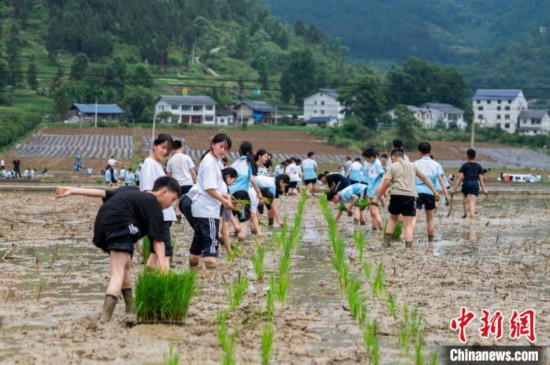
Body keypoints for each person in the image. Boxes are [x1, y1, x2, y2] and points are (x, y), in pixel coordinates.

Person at [55, 176, 182, 322]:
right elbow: (158, 242)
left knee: (126, 265)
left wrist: (71, 190)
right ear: (164, 192)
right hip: (120, 226)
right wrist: (164, 270)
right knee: (117, 273)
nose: (171, 205)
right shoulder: (154, 206)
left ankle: (130, 308)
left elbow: (103, 193)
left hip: (103, 226)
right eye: (172, 200)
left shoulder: (133, 191)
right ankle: (104, 319)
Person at [180, 133, 234, 268]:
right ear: (212, 144)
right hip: (208, 210)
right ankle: (210, 282)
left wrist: (226, 196)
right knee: (211, 247)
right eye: (221, 146)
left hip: (201, 209)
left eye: (226, 148)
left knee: (197, 246)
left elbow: (214, 186)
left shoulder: (216, 161)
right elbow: (209, 189)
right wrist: (224, 201)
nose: (223, 150)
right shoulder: (209, 162)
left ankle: (193, 277)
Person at [371, 149, 439, 248]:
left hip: (396, 195)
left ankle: (386, 243)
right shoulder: (413, 166)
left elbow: (387, 183)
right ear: (402, 156)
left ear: (393, 157)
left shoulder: (392, 166)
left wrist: (377, 198)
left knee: (393, 219)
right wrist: (435, 191)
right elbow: (424, 179)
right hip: (410, 196)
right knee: (408, 224)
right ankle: (408, 247)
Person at [140, 134, 176, 269]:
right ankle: (165, 280)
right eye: (163, 147)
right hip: (158, 215)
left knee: (155, 253)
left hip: (162, 215)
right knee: (165, 252)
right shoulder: (150, 164)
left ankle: (149, 279)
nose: (165, 151)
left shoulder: (156, 164)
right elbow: (148, 192)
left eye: (169, 150)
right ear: (154, 145)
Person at [413, 142, 450, 244]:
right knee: (430, 219)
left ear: (419, 152)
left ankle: (409, 240)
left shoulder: (414, 164)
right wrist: (446, 194)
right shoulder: (436, 164)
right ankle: (430, 242)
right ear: (430, 151)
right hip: (430, 193)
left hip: (417, 193)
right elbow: (441, 180)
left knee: (414, 218)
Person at [229, 141, 264, 239]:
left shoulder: (234, 163)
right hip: (241, 194)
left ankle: (225, 240)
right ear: (250, 151)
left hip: (229, 194)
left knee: (229, 217)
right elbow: (252, 179)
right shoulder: (249, 163)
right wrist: (258, 192)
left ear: (240, 151)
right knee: (242, 219)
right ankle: (241, 242)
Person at [452, 149, 488, 220]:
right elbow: (480, 179)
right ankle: (472, 219)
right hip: (475, 183)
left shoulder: (465, 166)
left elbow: (460, 178)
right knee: (472, 203)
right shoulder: (478, 166)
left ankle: (465, 213)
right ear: (475, 156)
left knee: (465, 197)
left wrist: (454, 189)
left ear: (467, 156)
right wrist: (484, 189)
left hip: (466, 183)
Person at [166, 140, 197, 222]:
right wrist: (196, 182)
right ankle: (193, 216)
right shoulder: (187, 158)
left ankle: (178, 217)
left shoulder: (170, 160)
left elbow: (168, 175)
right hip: (188, 183)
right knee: (191, 200)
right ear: (181, 146)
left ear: (172, 148)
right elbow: (192, 172)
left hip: (177, 184)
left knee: (177, 200)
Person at [363, 148, 385, 230]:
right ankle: (374, 229)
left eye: (366, 158)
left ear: (371, 157)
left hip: (376, 190)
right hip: (371, 190)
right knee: (372, 212)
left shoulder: (377, 163)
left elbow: (384, 175)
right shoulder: (371, 163)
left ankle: (382, 229)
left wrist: (380, 186)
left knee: (375, 212)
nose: (365, 160)